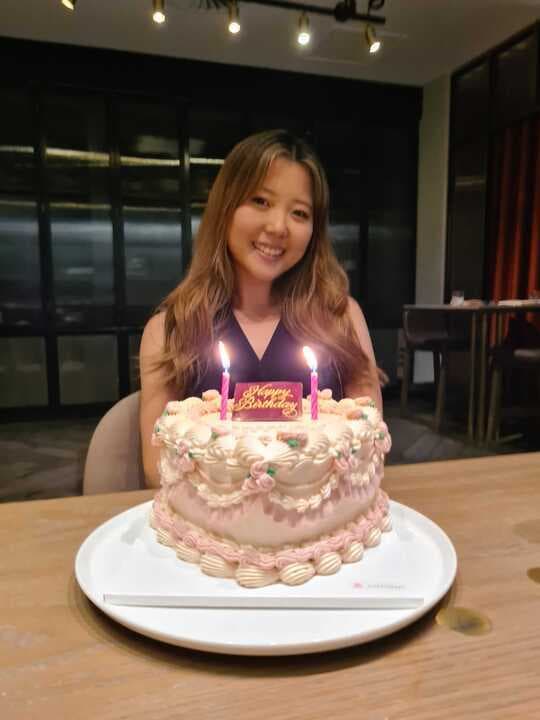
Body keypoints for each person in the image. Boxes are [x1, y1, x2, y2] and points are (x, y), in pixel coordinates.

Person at [140, 129, 382, 488]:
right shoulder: (170, 329)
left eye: (299, 212)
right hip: (211, 536)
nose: (278, 227)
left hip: (319, 531)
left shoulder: (341, 316)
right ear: (225, 207)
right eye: (261, 201)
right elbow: (154, 465)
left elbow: (371, 446)